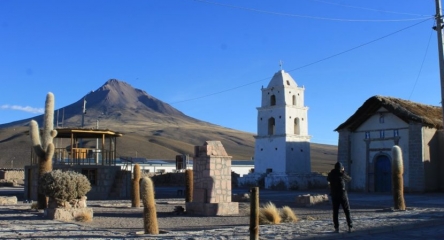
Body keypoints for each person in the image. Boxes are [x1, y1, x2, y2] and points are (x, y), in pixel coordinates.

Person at [327, 162, 352, 233]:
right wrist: (343, 172)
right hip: (342, 195)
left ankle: (336, 228)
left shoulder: (331, 174)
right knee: (347, 211)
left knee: (335, 212)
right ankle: (350, 226)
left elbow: (328, 179)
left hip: (334, 195)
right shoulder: (341, 174)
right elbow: (349, 179)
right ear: (341, 168)